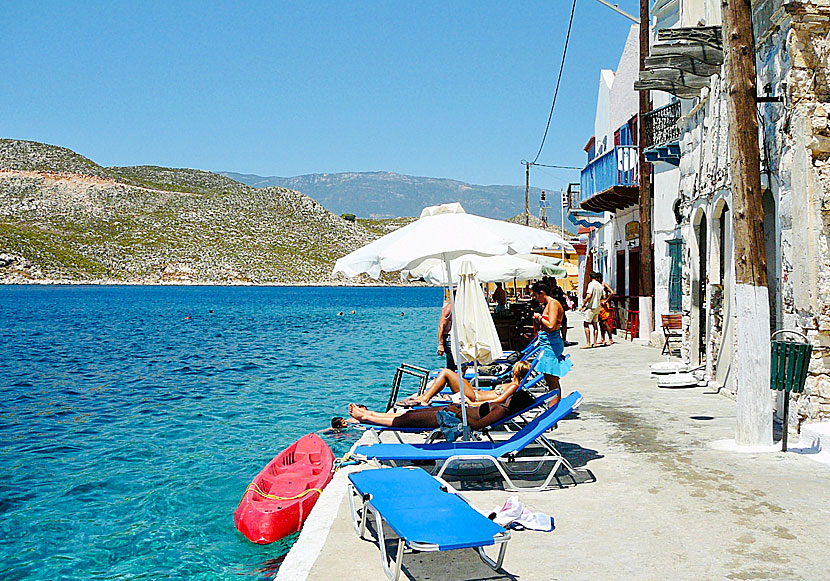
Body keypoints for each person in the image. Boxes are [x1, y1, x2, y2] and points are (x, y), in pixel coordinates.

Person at [348, 388, 536, 431]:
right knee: (410, 414)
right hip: (451, 411)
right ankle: (368, 414)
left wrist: (459, 412)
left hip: (450, 418)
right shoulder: (502, 407)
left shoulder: (502, 411)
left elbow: (478, 426)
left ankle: (366, 418)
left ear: (514, 401)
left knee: (407, 420)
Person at [399, 360, 533, 407]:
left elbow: (498, 401)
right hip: (474, 391)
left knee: (446, 373)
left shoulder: (514, 386)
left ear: (516, 372)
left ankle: (424, 398)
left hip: (474, 397)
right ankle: (424, 397)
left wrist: (472, 404)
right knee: (452, 374)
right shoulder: (512, 384)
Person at [530, 281, 572, 400]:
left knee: (551, 377)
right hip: (548, 342)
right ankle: (555, 402)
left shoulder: (553, 304)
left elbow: (551, 325)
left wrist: (539, 317)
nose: (536, 298)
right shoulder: (549, 304)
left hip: (551, 343)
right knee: (550, 376)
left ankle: (555, 404)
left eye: (536, 295)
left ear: (542, 293)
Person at [581, 272, 604, 348]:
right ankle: (595, 342)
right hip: (598, 307)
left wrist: (584, 303)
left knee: (586, 324)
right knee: (595, 325)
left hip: (591, 307)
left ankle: (588, 342)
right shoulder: (600, 286)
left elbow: (589, 295)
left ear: (590, 277)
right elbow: (603, 296)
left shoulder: (591, 284)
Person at [437, 292, 455, 369]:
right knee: (458, 364)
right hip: (449, 339)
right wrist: (440, 344)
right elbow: (441, 326)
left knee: (459, 365)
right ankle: (454, 379)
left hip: (455, 338)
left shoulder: (458, 307)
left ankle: (455, 379)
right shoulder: (449, 308)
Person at [597, 273, 615, 346]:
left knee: (605, 322)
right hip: (599, 305)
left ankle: (610, 338)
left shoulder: (604, 284)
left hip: (604, 305)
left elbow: (612, 292)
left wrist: (606, 300)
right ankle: (602, 338)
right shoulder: (596, 285)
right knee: (600, 323)